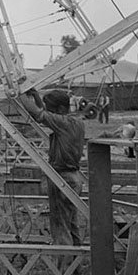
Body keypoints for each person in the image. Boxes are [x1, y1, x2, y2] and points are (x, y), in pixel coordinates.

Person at [18, 87, 86, 250]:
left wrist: (19, 96)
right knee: (71, 222)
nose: (50, 113)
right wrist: (36, 96)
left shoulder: (64, 123)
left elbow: (39, 115)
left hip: (62, 178)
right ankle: (76, 261)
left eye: (52, 110)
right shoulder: (75, 122)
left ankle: (64, 265)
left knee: (60, 225)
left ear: (61, 109)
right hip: (73, 177)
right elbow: (45, 114)